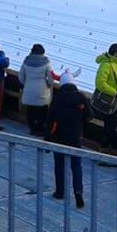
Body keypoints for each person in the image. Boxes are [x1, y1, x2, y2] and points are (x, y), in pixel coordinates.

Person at [47, 69, 88, 208]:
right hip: (75, 138)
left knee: (59, 165)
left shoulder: (58, 98)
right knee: (76, 166)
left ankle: (60, 191)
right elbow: (90, 116)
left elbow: (50, 120)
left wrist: (47, 139)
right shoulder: (81, 98)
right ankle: (78, 191)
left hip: (59, 138)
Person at [18, 43, 57, 137]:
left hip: (29, 90)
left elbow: (21, 76)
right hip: (42, 91)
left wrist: (25, 84)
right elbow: (51, 79)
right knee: (42, 111)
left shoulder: (26, 61)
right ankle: (40, 129)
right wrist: (49, 85)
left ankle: (32, 128)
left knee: (31, 110)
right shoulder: (46, 62)